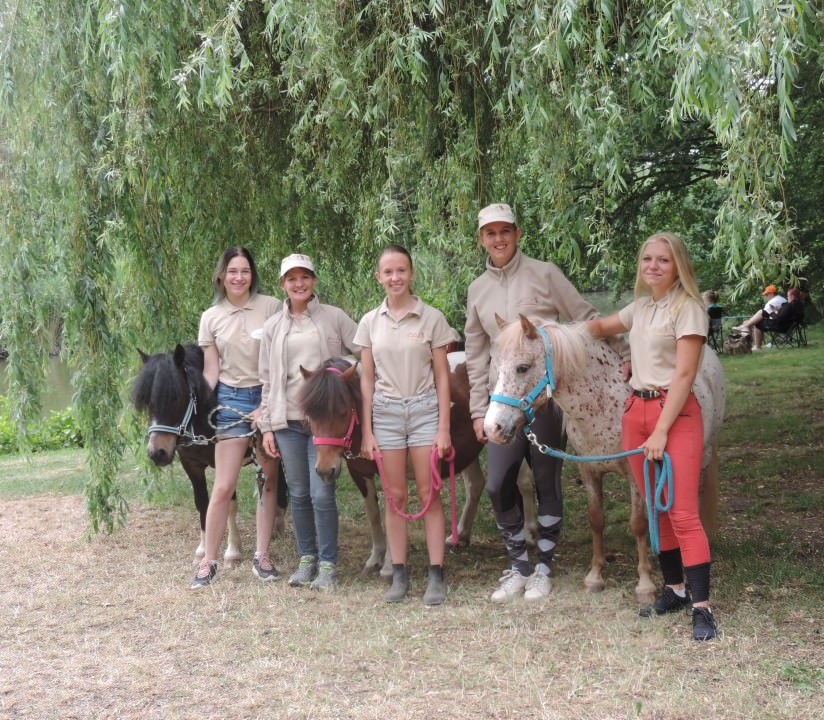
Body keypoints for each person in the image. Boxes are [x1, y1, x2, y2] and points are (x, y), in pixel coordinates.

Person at [465, 202, 605, 604]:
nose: (498, 239)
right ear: (482, 239)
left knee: (546, 480)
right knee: (496, 484)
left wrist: (618, 358)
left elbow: (585, 318)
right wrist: (478, 409)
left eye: (504, 231)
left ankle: (543, 567)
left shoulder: (546, 274)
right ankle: (518, 565)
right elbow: (475, 354)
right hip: (503, 403)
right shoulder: (477, 290)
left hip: (545, 400)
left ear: (517, 233)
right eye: (490, 233)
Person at [586, 231, 718, 641]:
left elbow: (683, 375)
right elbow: (597, 326)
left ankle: (702, 608)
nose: (653, 266)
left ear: (678, 265)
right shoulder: (641, 308)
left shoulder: (689, 309)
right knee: (657, 510)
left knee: (682, 512)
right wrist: (550, 328)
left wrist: (661, 430)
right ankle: (675, 591)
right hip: (636, 413)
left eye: (663, 260)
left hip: (674, 415)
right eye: (647, 259)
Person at [355, 245, 459, 606]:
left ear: (411, 273)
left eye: (401, 270)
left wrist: (444, 427)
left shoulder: (431, 318)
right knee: (395, 496)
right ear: (378, 277)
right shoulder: (370, 322)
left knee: (430, 493)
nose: (395, 277)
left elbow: (443, 377)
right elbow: (366, 380)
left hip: (424, 410)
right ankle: (399, 573)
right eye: (388, 272)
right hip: (385, 413)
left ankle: (436, 574)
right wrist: (367, 431)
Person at [258, 253, 359, 590]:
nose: (298, 284)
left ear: (314, 281)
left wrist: (345, 377)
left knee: (322, 494)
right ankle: (306, 559)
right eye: (291, 279)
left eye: (304, 277)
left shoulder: (333, 317)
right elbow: (267, 379)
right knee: (299, 493)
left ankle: (328, 564)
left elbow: (363, 350)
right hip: (287, 420)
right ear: (283, 285)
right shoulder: (274, 326)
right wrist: (268, 426)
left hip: (323, 423)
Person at [192, 247, 283, 589]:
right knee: (224, 485)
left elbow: (278, 360)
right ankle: (208, 561)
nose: (239, 277)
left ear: (252, 275)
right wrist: (203, 403)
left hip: (266, 395)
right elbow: (212, 370)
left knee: (267, 480)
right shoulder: (210, 317)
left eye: (245, 271)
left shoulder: (272, 307)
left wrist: (267, 405)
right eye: (233, 271)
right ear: (221, 276)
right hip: (229, 399)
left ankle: (262, 556)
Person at [732, 285, 787, 350]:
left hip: (778, 324)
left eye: (767, 294)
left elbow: (764, 313)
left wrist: (751, 322)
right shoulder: (781, 299)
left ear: (771, 293)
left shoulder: (774, 300)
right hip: (781, 322)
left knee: (757, 323)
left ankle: (756, 346)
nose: (766, 296)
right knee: (749, 323)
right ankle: (745, 329)